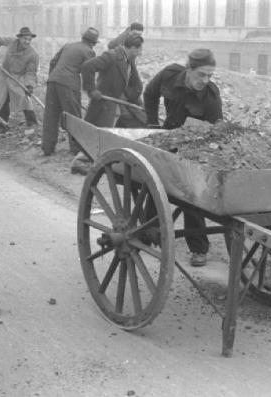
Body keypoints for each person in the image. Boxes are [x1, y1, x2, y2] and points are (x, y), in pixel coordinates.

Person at [143, 48, 223, 267]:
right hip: (166, 139)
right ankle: (149, 231)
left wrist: (197, 155)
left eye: (210, 76)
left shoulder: (211, 97)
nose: (205, 80)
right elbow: (150, 94)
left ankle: (198, 248)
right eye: (201, 75)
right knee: (152, 181)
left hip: (193, 149)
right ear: (188, 70)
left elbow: (216, 134)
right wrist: (151, 123)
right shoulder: (169, 74)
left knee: (191, 194)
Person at [71, 32, 144, 174]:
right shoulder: (111, 56)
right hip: (104, 102)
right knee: (100, 134)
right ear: (133, 48)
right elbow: (87, 67)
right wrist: (92, 90)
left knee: (132, 125)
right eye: (140, 49)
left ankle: (109, 162)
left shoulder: (129, 60)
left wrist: (133, 100)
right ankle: (79, 162)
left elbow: (135, 83)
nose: (141, 52)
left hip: (118, 102)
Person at [41, 27, 99, 156]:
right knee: (73, 117)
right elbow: (88, 72)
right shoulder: (89, 51)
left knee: (51, 115)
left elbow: (53, 62)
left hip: (53, 81)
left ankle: (47, 148)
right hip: (68, 84)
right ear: (93, 43)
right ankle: (76, 149)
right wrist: (91, 91)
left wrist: (54, 78)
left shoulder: (68, 45)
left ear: (83, 37)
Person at [0, 27, 39, 130]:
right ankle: (1, 125)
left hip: (18, 77)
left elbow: (30, 72)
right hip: (5, 74)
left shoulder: (33, 54)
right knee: (2, 99)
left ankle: (32, 123)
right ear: (19, 38)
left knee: (23, 97)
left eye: (29, 40)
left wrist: (29, 85)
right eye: (25, 39)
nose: (27, 41)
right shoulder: (11, 42)